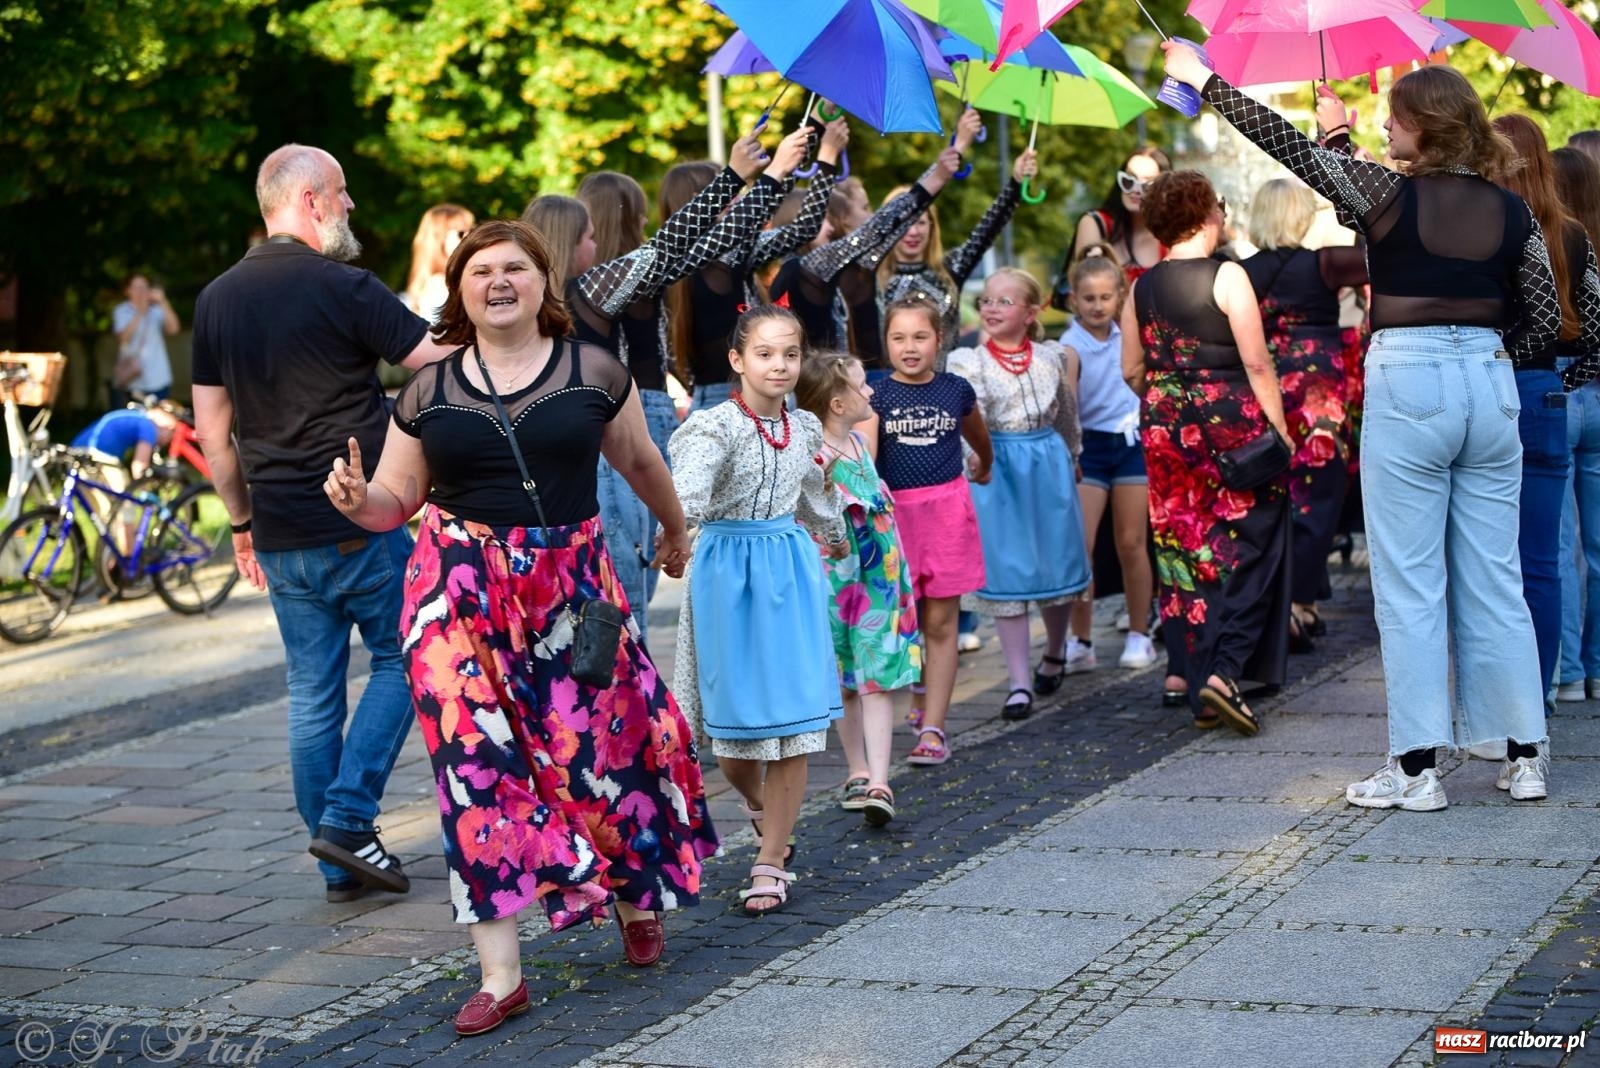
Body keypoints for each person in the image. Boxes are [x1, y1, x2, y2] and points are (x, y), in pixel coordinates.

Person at [323, 219, 714, 1034]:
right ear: (459, 291)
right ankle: (501, 973)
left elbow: (640, 460)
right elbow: (398, 498)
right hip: (455, 588)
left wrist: (675, 529)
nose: (498, 282)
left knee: (600, 746)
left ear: (544, 282)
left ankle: (633, 893)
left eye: (515, 268)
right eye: (480, 272)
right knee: (475, 767)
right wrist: (363, 505)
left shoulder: (596, 372)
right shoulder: (426, 391)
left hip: (569, 589)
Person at [1160, 46, 1562, 806]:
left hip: (1409, 375)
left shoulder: (1386, 194)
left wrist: (1204, 78)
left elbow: (1282, 143)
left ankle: (1415, 770)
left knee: (1410, 583)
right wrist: (1478, 348)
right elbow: (1543, 320)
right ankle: (1524, 754)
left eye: (1394, 120)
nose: (1386, 128)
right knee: (1496, 577)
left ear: (1422, 128)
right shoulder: (1513, 210)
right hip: (1488, 378)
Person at [191, 143, 456, 902]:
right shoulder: (345, 285)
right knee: (409, 653)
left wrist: (240, 523)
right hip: (359, 517)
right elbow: (431, 360)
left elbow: (214, 432)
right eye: (341, 195)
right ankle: (346, 821)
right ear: (309, 201)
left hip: (276, 530)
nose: (349, 208)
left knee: (312, 693)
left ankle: (339, 862)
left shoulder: (216, 299)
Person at [567, 126, 811, 646]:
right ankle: (624, 702)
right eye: (584, 236)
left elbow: (705, 242)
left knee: (632, 571)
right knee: (624, 580)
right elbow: (681, 239)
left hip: (619, 422)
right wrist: (749, 178)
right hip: (617, 425)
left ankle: (625, 697)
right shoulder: (593, 286)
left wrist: (767, 178)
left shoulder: (602, 284)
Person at [669, 304, 848, 915]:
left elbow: (813, 492)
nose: (780, 366)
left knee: (795, 726)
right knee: (733, 739)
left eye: (790, 355)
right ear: (737, 360)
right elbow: (685, 490)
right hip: (726, 574)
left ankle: (771, 859)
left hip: (790, 572)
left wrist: (838, 535)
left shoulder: (801, 428)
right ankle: (759, 806)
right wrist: (676, 533)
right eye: (766, 354)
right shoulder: (713, 427)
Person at [1122, 169, 1291, 736]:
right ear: (1204, 215)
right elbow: (1258, 363)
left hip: (1165, 425)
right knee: (1257, 539)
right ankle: (1225, 671)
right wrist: (1280, 428)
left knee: (1183, 548)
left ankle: (1198, 686)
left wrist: (1169, 398)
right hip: (1232, 423)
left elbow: (1131, 368)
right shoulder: (1228, 276)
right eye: (1218, 206)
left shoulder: (1141, 286)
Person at [1492, 114, 1600, 709]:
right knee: (1562, 555)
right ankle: (1572, 678)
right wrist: (1569, 379)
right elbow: (1597, 331)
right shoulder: (1571, 231)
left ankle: (1535, 688)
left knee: (1517, 553)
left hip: (1509, 384)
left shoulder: (1491, 225)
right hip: (1558, 388)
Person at [949, 268, 1090, 720]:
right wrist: (975, 459)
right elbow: (971, 415)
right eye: (987, 300)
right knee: (1007, 568)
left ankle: (1054, 651)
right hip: (997, 463)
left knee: (1056, 560)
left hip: (1046, 461)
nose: (991, 308)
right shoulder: (969, 362)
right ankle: (1018, 681)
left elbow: (1066, 413)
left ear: (1032, 313)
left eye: (1004, 302)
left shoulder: (1052, 358)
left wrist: (1073, 454)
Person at [1242, 178, 1369, 647]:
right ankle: (1294, 606)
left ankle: (1303, 603)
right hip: (1319, 400)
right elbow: (1386, 255)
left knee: (1276, 499)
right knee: (1319, 502)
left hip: (1268, 393)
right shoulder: (1326, 263)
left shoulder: (1242, 271)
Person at [796, 351, 920, 826]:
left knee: (877, 679)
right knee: (844, 678)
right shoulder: (815, 459)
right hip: (835, 585)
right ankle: (858, 768)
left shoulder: (860, 449)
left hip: (878, 585)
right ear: (836, 403)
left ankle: (880, 781)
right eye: (862, 386)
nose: (871, 392)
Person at [868, 296, 992, 766]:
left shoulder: (955, 389)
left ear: (940, 340)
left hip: (945, 516)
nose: (910, 347)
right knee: (907, 622)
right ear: (886, 343)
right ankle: (918, 694)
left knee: (941, 624)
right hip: (895, 519)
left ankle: (935, 729)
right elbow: (863, 452)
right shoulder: (876, 395)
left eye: (920, 336)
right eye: (898, 338)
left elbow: (977, 434)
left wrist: (985, 460)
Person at [770, 112, 980, 365]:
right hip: (824, 392)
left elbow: (890, 224)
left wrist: (817, 118)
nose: (823, 227)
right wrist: (827, 155)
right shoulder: (805, 268)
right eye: (864, 207)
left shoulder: (809, 267)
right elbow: (882, 225)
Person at [674, 114, 849, 412]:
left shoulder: (738, 254)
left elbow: (803, 227)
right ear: (697, 202)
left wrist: (814, 130)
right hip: (721, 398)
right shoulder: (694, 258)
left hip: (760, 393)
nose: (736, 195)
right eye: (725, 188)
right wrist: (795, 159)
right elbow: (754, 217)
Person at [1059, 255, 1157, 677]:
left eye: (1105, 297)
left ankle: (1140, 632)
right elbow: (1067, 406)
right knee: (1082, 546)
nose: (1097, 306)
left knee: (1132, 542)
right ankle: (1080, 640)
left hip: (1130, 441)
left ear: (1120, 296)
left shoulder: (1128, 335)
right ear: (1074, 300)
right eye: (1088, 298)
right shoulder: (1069, 345)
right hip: (1090, 447)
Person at [877, 145, 1039, 346]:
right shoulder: (872, 278)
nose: (913, 232)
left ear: (932, 226)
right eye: (904, 224)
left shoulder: (949, 269)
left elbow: (986, 231)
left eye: (920, 222)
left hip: (951, 373)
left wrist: (1015, 183)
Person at [1554, 146, 1600, 701]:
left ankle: (1565, 672)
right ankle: (1594, 665)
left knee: (1559, 546)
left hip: (1557, 388)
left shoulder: (1550, 239)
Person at [1072, 147, 1172, 285]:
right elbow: (1085, 289)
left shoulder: (1172, 234)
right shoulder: (1095, 223)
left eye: (1148, 185)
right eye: (1129, 180)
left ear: (1164, 189)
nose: (1135, 190)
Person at [111, 273, 178, 406]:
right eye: (138, 287)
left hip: (159, 377)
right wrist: (140, 312)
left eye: (145, 287)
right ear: (127, 290)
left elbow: (174, 329)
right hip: (134, 381)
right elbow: (123, 338)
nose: (143, 291)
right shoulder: (121, 311)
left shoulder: (157, 310)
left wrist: (163, 301)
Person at [403, 203, 475, 321]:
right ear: (439, 240)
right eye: (461, 233)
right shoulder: (438, 287)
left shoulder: (447, 283)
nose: (470, 238)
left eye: (472, 231)